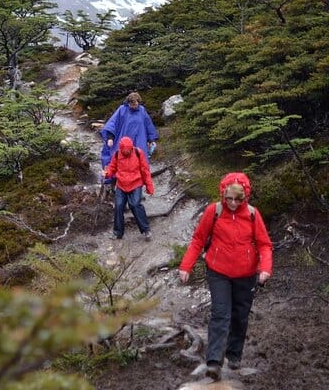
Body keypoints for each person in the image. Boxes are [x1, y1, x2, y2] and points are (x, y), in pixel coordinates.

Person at [178, 172, 273, 381]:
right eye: (229, 198)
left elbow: (265, 245)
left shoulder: (252, 214)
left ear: (245, 197)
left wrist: (265, 268)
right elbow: (198, 239)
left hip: (246, 274)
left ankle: (234, 354)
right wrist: (186, 266)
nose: (232, 203)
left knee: (240, 315)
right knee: (220, 313)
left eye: (238, 199)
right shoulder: (214, 211)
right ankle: (214, 361)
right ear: (223, 194)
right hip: (218, 271)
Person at [103, 136, 154, 241]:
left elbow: (145, 171)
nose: (127, 153)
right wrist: (107, 173)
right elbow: (112, 168)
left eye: (128, 151)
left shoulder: (138, 153)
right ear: (121, 149)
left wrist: (149, 186)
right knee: (118, 206)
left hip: (135, 183)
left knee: (135, 205)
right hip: (121, 184)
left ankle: (146, 230)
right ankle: (117, 232)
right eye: (125, 151)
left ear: (131, 148)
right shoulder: (117, 154)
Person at [100, 92, 159, 167]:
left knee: (139, 159)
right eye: (132, 104)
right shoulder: (122, 110)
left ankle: (139, 173)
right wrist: (110, 138)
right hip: (124, 140)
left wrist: (151, 140)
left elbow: (148, 125)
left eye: (136, 104)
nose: (135, 106)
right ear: (128, 103)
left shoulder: (142, 110)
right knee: (121, 158)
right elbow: (113, 123)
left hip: (139, 141)